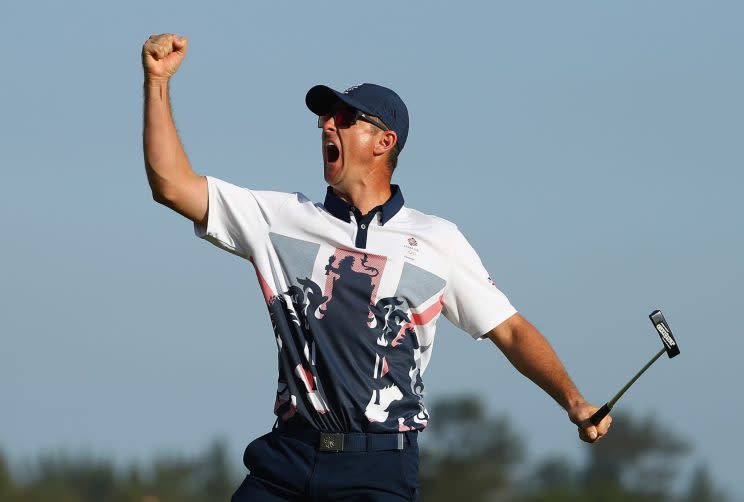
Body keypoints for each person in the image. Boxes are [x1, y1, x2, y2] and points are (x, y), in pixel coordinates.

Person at [141, 33, 612, 502]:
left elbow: (509, 330)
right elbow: (171, 185)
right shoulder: (278, 218)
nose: (327, 125)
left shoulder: (438, 239)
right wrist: (157, 82)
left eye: (344, 118)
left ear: (384, 141)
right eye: (325, 117)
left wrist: (573, 400)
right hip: (287, 458)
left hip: (379, 465)